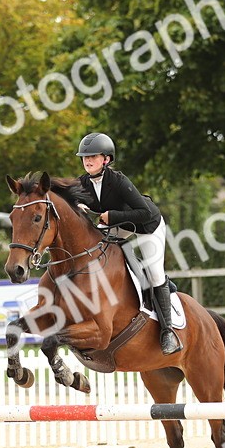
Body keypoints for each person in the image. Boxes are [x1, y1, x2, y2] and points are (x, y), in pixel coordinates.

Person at [75, 132, 182, 354]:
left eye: (93, 156)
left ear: (106, 159)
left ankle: (168, 332)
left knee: (155, 274)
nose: (87, 160)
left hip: (147, 225)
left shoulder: (118, 181)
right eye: (85, 157)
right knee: (96, 253)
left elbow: (144, 212)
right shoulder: (82, 183)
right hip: (118, 224)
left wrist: (111, 216)